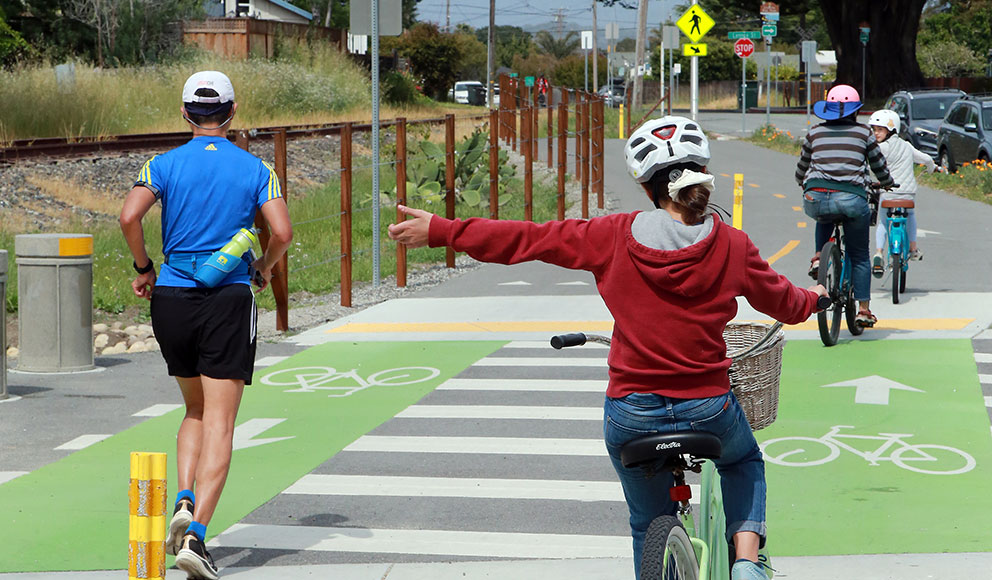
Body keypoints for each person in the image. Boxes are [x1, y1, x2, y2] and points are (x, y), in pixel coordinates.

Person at [388, 116, 827, 580]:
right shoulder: (733, 245)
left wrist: (444, 231)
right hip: (707, 406)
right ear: (702, 174)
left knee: (646, 524)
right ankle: (747, 564)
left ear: (646, 187)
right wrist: (816, 299)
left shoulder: (612, 235)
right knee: (743, 460)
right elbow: (787, 304)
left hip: (632, 412)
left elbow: (530, 238)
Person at [119, 70, 292, 580]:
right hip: (227, 299)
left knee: (193, 408)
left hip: (172, 298)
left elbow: (129, 217)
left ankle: (183, 498)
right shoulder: (257, 168)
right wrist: (264, 267)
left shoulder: (161, 165)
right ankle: (195, 537)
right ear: (233, 112)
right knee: (221, 420)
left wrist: (144, 268)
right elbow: (281, 231)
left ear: (185, 113)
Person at [796, 84, 894, 328]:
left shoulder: (814, 132)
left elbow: (802, 166)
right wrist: (887, 182)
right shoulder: (863, 132)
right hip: (851, 199)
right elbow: (878, 165)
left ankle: (819, 257)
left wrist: (801, 181)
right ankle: (863, 310)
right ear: (855, 111)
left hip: (815, 196)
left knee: (824, 215)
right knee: (859, 255)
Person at [866, 109, 939, 276]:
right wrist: (932, 168)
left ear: (891, 130)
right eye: (874, 129)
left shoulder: (880, 148)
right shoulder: (907, 146)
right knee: (910, 215)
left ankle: (878, 253)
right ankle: (913, 248)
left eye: (880, 130)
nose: (876, 133)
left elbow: (870, 167)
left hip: (888, 192)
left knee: (883, 221)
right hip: (908, 193)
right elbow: (927, 159)